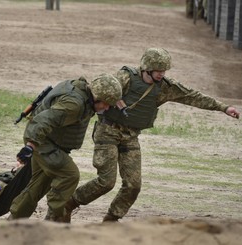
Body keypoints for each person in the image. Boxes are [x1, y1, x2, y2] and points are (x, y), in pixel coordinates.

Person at [64, 47, 240, 222]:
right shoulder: (126, 77)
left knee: (134, 185)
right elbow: (101, 91)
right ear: (147, 68)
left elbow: (192, 96)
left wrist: (223, 107)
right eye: (158, 70)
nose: (162, 74)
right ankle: (68, 205)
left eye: (164, 70)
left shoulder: (164, 87)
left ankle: (111, 219)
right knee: (106, 182)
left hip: (131, 136)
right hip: (108, 131)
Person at [9, 73, 122, 222]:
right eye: (106, 104)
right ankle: (57, 217)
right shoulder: (74, 105)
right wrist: (30, 146)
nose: (107, 108)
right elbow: (43, 120)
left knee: (37, 186)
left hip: (47, 141)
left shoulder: (84, 92)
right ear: (97, 97)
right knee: (69, 174)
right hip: (42, 142)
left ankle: (14, 221)